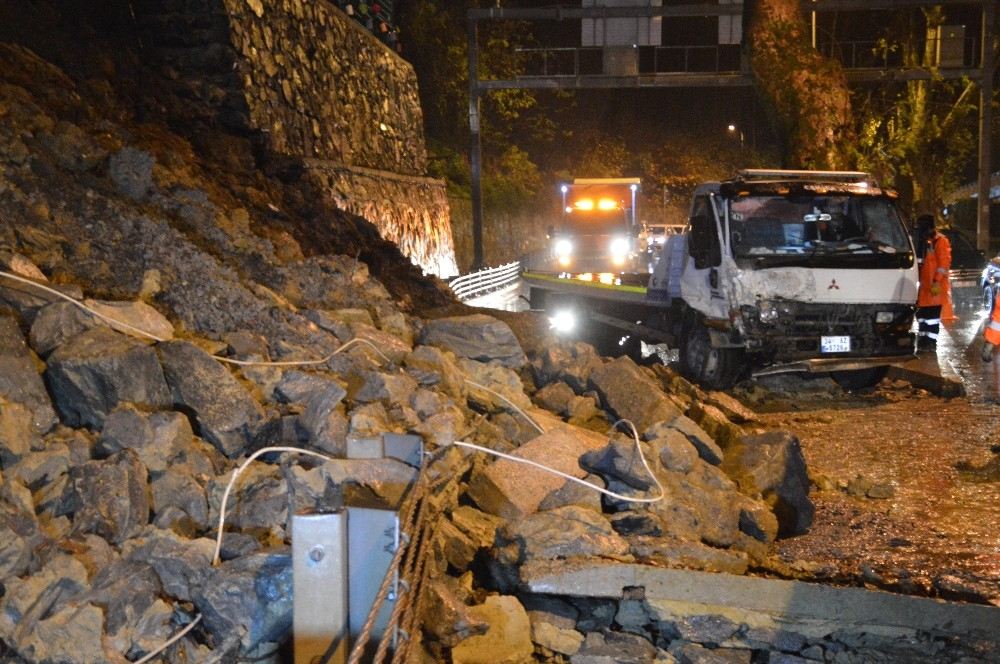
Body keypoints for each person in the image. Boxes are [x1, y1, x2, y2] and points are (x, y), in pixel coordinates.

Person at [914, 213, 951, 352]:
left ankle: (930, 342)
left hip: (934, 288)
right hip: (923, 288)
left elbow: (944, 264)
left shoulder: (940, 241)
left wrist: (936, 281)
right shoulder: (921, 241)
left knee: (932, 318)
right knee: (922, 316)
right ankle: (923, 340)